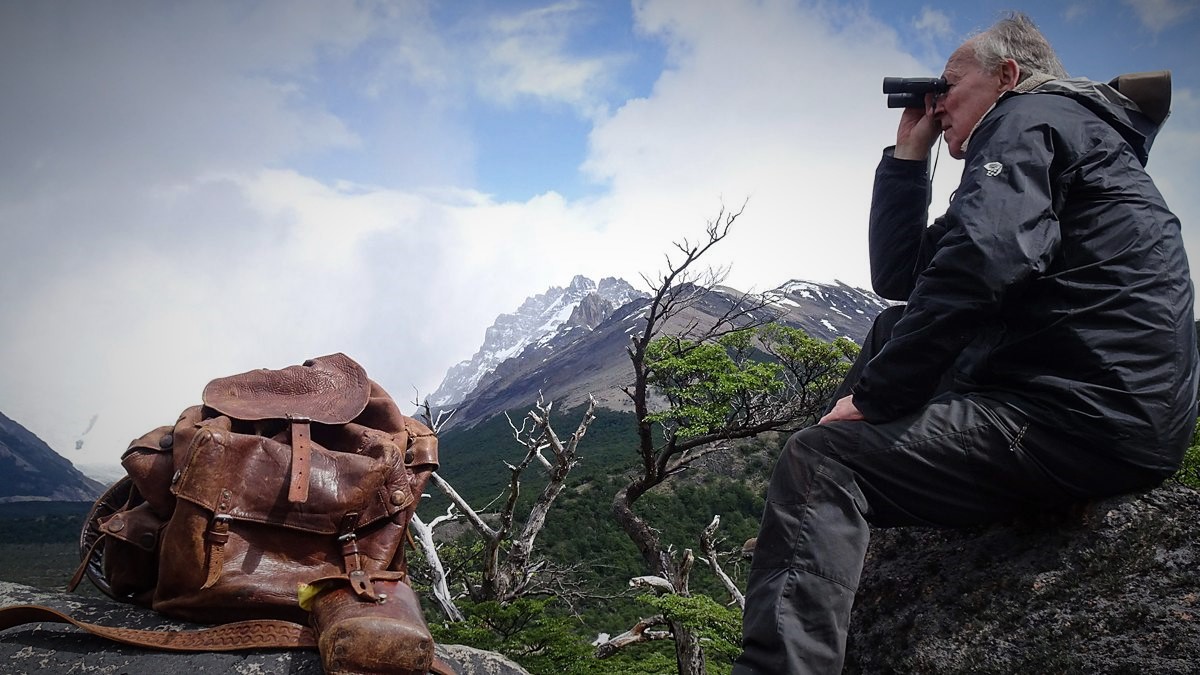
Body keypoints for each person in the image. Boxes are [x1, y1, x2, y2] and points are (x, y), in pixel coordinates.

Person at [733, 12, 1198, 674]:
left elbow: (985, 256)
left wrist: (874, 397)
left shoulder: (1028, 121)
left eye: (949, 85)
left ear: (1007, 77)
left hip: (1079, 416)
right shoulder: (1062, 134)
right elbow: (903, 277)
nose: (936, 101)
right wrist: (909, 153)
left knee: (823, 460)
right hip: (1102, 403)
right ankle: (827, 532)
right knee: (894, 328)